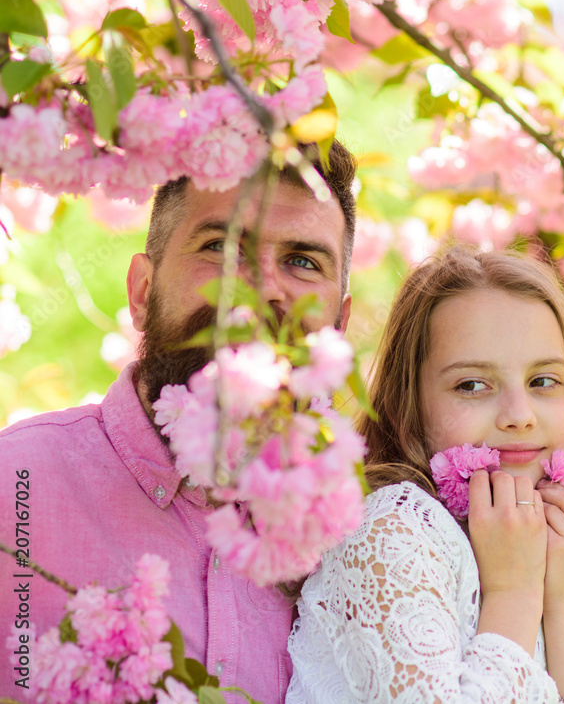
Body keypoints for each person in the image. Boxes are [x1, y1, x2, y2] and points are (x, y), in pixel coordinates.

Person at [0, 141, 357, 702]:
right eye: (219, 246)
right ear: (142, 292)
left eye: (303, 261)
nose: (261, 289)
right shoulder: (12, 484)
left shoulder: (363, 537)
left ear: (339, 322)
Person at [287, 247, 564, 703]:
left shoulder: (555, 549)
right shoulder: (389, 530)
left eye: (543, 381)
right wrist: (514, 592)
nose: (519, 416)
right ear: (409, 410)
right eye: (472, 385)